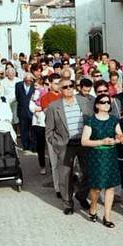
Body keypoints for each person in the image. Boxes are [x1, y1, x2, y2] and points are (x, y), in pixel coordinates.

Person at [45, 78, 94, 215]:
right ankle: (68, 203)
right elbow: (49, 131)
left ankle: (82, 195)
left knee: (89, 171)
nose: (69, 89)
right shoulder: (54, 107)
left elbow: (91, 121)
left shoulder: (84, 102)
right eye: (65, 87)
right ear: (60, 90)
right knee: (66, 174)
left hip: (83, 142)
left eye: (71, 86)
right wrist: (56, 144)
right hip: (65, 144)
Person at [81, 94, 123, 228]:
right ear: (97, 105)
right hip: (96, 156)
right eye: (103, 102)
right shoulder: (91, 120)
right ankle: (93, 207)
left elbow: (120, 135)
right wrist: (101, 141)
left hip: (110, 155)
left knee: (110, 186)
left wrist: (118, 139)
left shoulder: (113, 119)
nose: (106, 104)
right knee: (96, 188)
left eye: (108, 102)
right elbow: (84, 141)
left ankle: (107, 216)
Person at [29, 79, 48, 175]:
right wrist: (42, 108)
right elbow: (32, 107)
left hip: (49, 123)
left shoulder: (50, 94)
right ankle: (42, 165)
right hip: (38, 123)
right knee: (40, 146)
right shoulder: (35, 94)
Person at [15, 73, 35, 152]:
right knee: (23, 130)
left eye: (30, 81)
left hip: (32, 111)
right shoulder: (18, 85)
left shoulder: (34, 86)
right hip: (22, 110)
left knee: (33, 130)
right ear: (24, 80)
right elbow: (17, 97)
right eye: (27, 80)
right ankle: (25, 145)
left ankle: (33, 146)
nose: (28, 82)